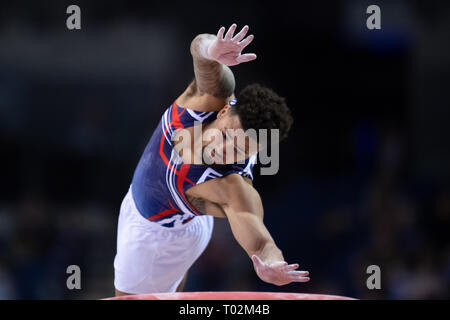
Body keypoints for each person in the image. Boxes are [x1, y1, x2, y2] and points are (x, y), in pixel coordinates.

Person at [114, 24, 309, 296]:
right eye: (228, 134)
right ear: (224, 110)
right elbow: (201, 52)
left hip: (160, 233)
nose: (225, 149)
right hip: (153, 203)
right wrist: (212, 49)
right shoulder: (211, 96)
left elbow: (261, 243)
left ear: (254, 153)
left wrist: (271, 263)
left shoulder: (232, 186)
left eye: (240, 149)